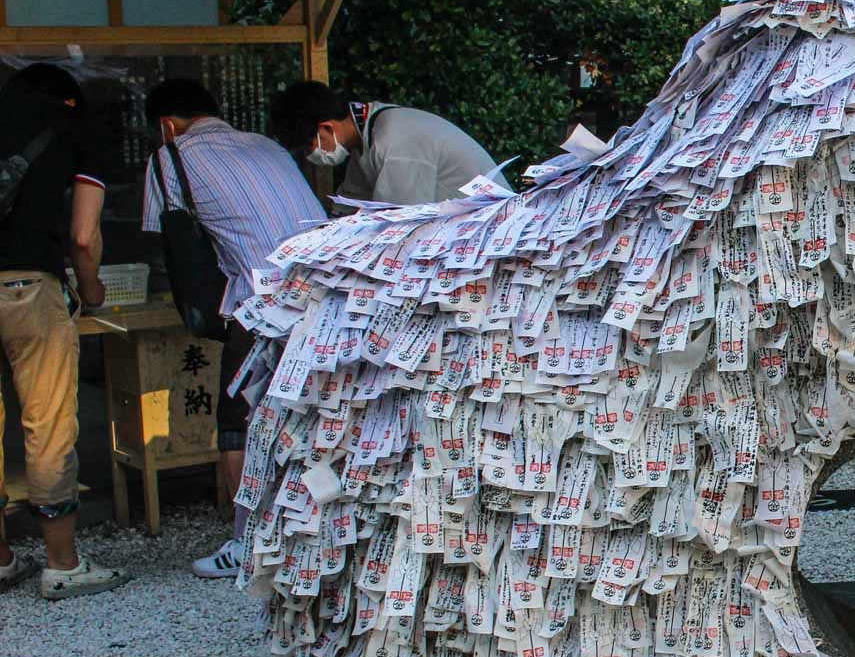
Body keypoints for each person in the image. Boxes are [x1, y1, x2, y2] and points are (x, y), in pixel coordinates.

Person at [141, 79, 327, 579]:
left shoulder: (170, 157)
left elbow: (169, 245)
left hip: (263, 301)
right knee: (317, 416)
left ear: (166, 125)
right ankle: (318, 530)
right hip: (330, 294)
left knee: (235, 423)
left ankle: (248, 542)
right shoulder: (266, 145)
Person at [0, 65, 127, 599]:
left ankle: (3, 560)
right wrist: (92, 288)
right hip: (29, 287)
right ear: (68, 102)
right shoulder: (75, 129)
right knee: (48, 423)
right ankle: (62, 563)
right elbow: (82, 233)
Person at [269, 80, 495, 206]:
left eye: (310, 146)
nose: (312, 156)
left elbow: (401, 225)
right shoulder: (366, 138)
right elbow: (350, 205)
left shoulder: (393, 143)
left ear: (327, 128)